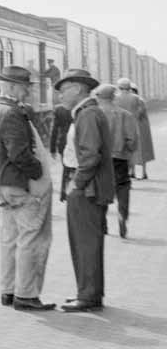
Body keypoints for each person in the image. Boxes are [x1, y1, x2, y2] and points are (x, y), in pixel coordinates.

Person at [0, 66, 55, 311]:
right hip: (21, 184)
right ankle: (26, 295)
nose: (27, 92)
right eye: (24, 87)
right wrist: (38, 171)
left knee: (9, 239)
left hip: (5, 184)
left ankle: (8, 290)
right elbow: (18, 153)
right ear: (11, 87)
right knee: (32, 239)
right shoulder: (12, 114)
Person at [56, 68, 114, 311]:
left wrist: (76, 184)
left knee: (85, 243)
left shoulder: (87, 114)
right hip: (88, 187)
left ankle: (88, 295)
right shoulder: (87, 113)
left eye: (63, 89)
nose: (60, 95)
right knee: (85, 242)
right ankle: (89, 292)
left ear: (78, 89)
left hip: (86, 188)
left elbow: (90, 155)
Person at [95, 84, 138, 238]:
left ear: (98, 97)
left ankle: (102, 222)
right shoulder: (125, 115)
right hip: (120, 157)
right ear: (114, 97)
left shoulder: (94, 114)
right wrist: (129, 151)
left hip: (100, 158)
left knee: (102, 189)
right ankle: (122, 215)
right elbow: (132, 140)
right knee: (123, 186)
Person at [115, 78, 154, 179]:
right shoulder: (138, 99)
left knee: (127, 149)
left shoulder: (116, 98)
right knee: (140, 149)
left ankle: (131, 171)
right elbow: (142, 113)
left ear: (119, 87)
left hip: (122, 126)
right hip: (136, 125)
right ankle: (144, 172)